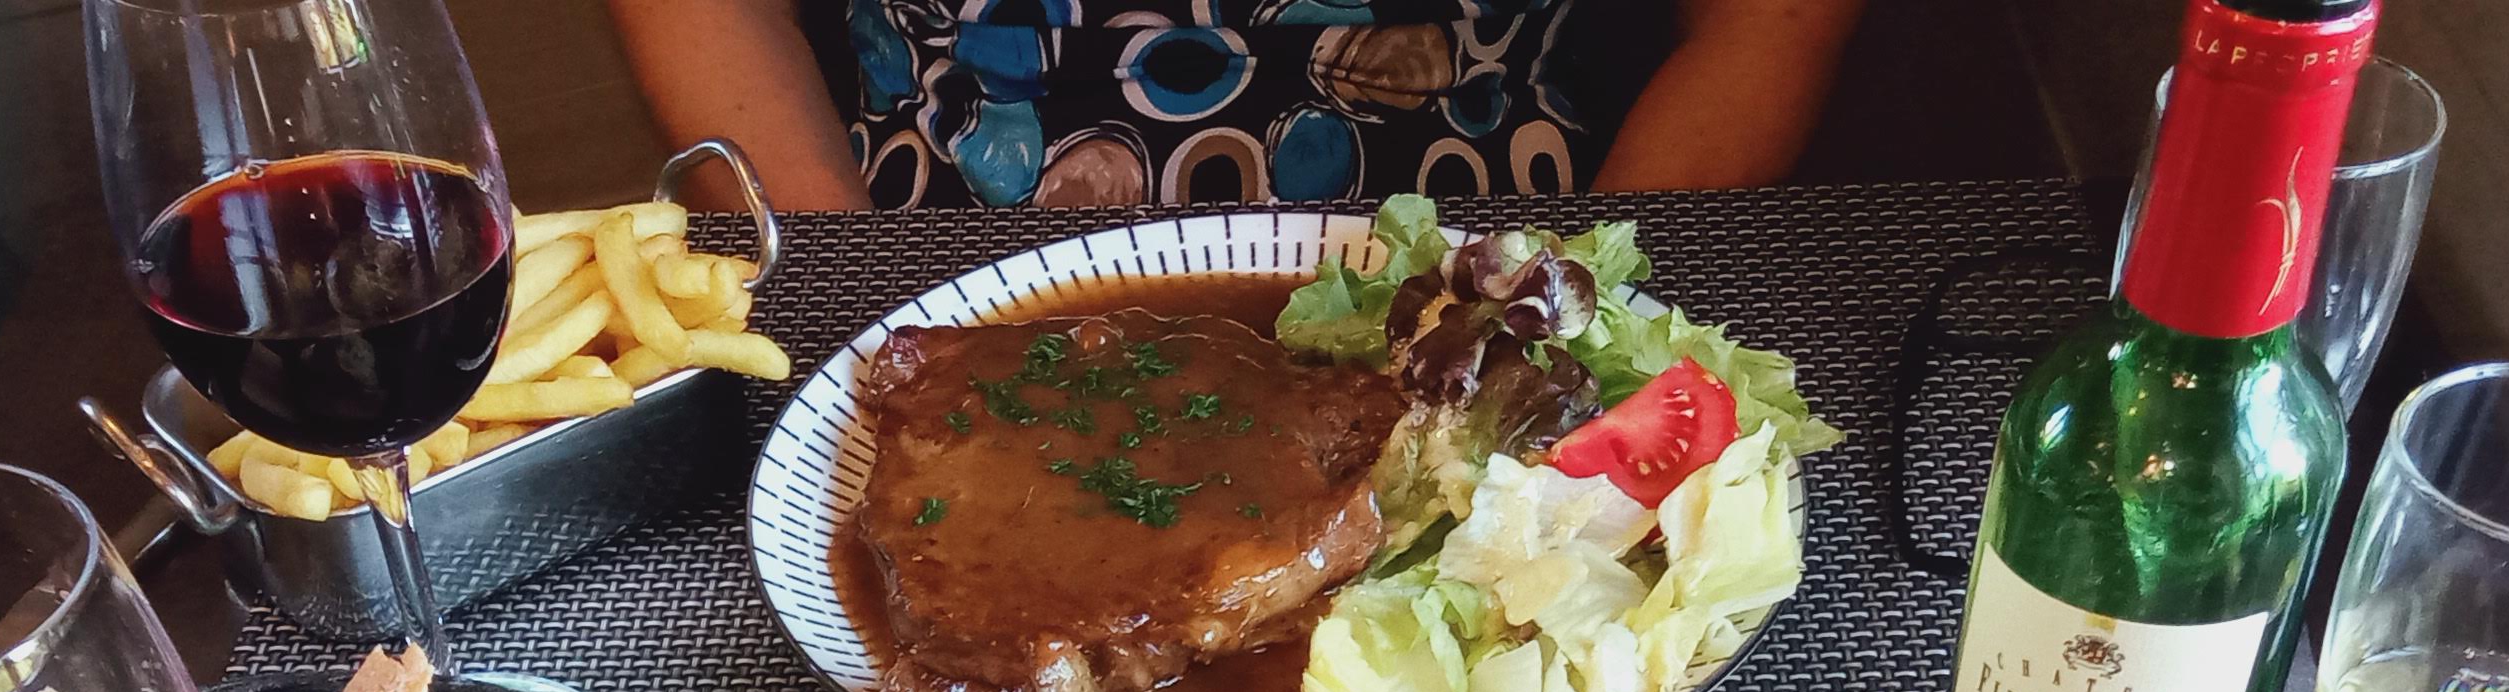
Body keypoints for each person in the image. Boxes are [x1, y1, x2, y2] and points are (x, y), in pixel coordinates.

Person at [616, 0, 1863, 212]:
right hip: (933, 238)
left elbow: (1765, 23)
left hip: (1485, 245)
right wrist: (834, 296)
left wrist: (1594, 321)